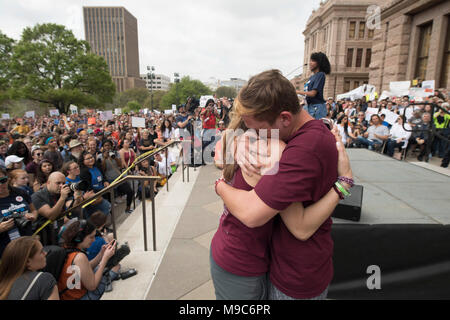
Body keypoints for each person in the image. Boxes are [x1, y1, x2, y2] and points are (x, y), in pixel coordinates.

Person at [213, 69, 352, 300]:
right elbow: (221, 150)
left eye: (258, 129)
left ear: (285, 118)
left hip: (296, 275)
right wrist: (239, 139)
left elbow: (298, 227)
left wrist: (344, 185)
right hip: (281, 266)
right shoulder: (293, 135)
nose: (256, 136)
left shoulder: (294, 151)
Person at [57, 219, 119, 300]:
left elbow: (85, 267)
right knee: (116, 268)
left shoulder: (67, 248)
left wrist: (101, 254)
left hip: (68, 295)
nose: (93, 240)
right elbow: (92, 286)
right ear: (79, 237)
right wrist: (104, 259)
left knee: (98, 269)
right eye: (91, 237)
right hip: (82, 297)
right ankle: (111, 274)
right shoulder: (79, 257)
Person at [31, 172, 83, 246]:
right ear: (48, 183)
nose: (61, 186)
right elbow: (51, 216)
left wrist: (77, 198)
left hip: (57, 231)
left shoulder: (61, 193)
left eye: (63, 183)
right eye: (58, 183)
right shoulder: (37, 196)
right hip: (43, 235)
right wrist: (62, 198)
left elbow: (72, 207)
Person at [0, 168, 38, 258]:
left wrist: (33, 216)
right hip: (6, 249)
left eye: (3, 180)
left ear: (8, 179)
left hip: (27, 241)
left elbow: (34, 210)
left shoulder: (20, 192)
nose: (1, 184)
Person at [98, 140, 133, 214]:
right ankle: (112, 215)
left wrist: (114, 158)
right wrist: (105, 158)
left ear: (111, 146)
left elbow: (120, 165)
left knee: (130, 191)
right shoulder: (100, 156)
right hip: (109, 180)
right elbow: (102, 170)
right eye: (105, 145)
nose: (107, 147)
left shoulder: (116, 153)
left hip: (118, 178)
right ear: (103, 147)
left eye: (109, 145)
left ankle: (128, 208)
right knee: (111, 198)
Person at [296, 52, 331, 120]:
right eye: (310, 60)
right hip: (309, 107)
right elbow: (307, 94)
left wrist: (297, 92)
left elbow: (313, 93)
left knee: (314, 129)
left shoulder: (320, 75)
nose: (310, 63)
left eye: (313, 60)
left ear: (319, 63)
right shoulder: (312, 77)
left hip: (317, 108)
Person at [78, 151, 112, 217]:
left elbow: (104, 176)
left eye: (91, 157)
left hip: (104, 191)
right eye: (88, 159)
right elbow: (88, 188)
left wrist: (105, 181)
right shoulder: (83, 172)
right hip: (95, 196)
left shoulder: (97, 166)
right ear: (83, 161)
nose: (91, 159)